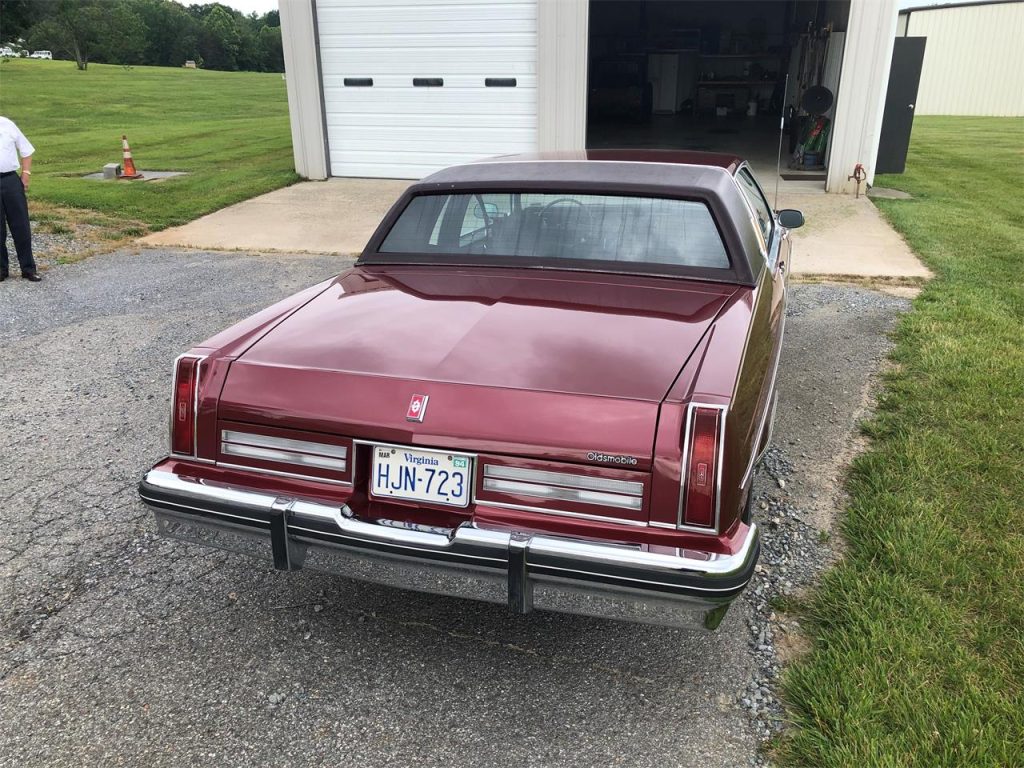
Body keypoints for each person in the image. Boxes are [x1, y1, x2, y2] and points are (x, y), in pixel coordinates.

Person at [0, 115, 41, 282]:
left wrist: (26, 174)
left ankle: (28, 268)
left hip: (10, 180)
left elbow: (26, 150)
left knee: (21, 225)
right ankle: (2, 269)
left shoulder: (7, 124)